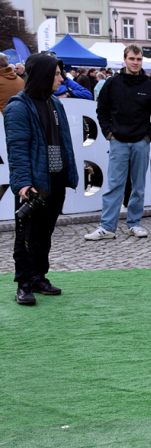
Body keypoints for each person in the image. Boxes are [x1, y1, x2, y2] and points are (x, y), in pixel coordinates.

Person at [5, 53, 79, 305]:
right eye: (56, 74)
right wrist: (23, 184)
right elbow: (17, 150)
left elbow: (64, 142)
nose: (61, 78)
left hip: (54, 181)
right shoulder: (18, 107)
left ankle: (38, 277)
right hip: (34, 184)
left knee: (44, 233)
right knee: (26, 234)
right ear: (43, 76)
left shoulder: (55, 103)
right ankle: (24, 284)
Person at [85, 44, 151, 240]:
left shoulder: (150, 87)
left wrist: (148, 137)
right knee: (114, 185)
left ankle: (134, 223)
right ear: (125, 60)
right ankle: (107, 227)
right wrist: (108, 133)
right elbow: (102, 111)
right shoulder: (112, 84)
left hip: (140, 143)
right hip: (118, 142)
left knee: (138, 186)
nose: (135, 62)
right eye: (132, 59)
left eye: (138, 59)